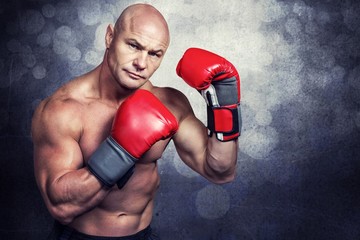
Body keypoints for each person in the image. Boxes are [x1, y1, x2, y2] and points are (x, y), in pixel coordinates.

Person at [31, 3, 241, 240]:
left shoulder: (169, 102)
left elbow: (220, 171)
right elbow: (61, 207)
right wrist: (121, 151)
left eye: (154, 54)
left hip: (142, 235)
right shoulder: (63, 109)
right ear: (110, 37)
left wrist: (224, 103)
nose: (141, 63)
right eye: (133, 45)